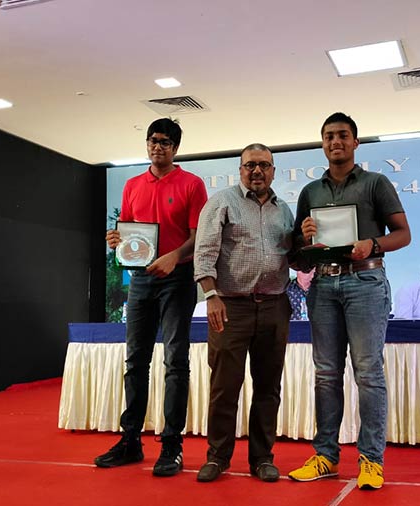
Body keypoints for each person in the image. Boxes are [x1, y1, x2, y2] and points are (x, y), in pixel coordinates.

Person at [288, 112, 411, 490]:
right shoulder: (311, 192)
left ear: (355, 142)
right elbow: (298, 256)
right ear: (322, 143)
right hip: (322, 286)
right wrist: (304, 238)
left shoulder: (376, 183)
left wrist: (372, 244)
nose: (335, 141)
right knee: (325, 374)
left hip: (366, 281)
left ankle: (371, 461)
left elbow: (404, 234)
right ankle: (325, 455)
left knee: (368, 373)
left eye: (342, 135)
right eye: (328, 136)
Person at [96, 118, 208, 477]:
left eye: (163, 142)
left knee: (176, 361)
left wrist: (175, 256)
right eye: (151, 141)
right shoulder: (131, 185)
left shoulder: (192, 184)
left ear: (175, 148)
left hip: (178, 279)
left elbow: (198, 237)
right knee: (135, 361)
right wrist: (116, 241)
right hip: (141, 281)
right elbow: (129, 236)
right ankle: (130, 441)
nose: (156, 147)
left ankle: (172, 446)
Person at [193, 143, 295, 483]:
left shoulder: (284, 211)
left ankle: (262, 459)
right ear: (240, 170)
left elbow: (291, 256)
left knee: (268, 388)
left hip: (274, 306)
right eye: (250, 165)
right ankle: (218, 457)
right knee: (224, 387)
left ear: (273, 171)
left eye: (264, 165)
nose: (257, 171)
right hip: (230, 306)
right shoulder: (221, 201)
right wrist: (210, 295)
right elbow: (204, 252)